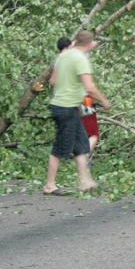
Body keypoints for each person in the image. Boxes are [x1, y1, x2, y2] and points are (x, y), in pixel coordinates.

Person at [43, 29, 109, 194]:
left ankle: (85, 181)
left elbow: (52, 81)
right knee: (60, 148)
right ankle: (49, 185)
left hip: (68, 106)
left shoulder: (63, 56)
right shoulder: (80, 59)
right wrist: (104, 100)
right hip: (67, 107)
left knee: (82, 145)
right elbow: (90, 87)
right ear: (88, 44)